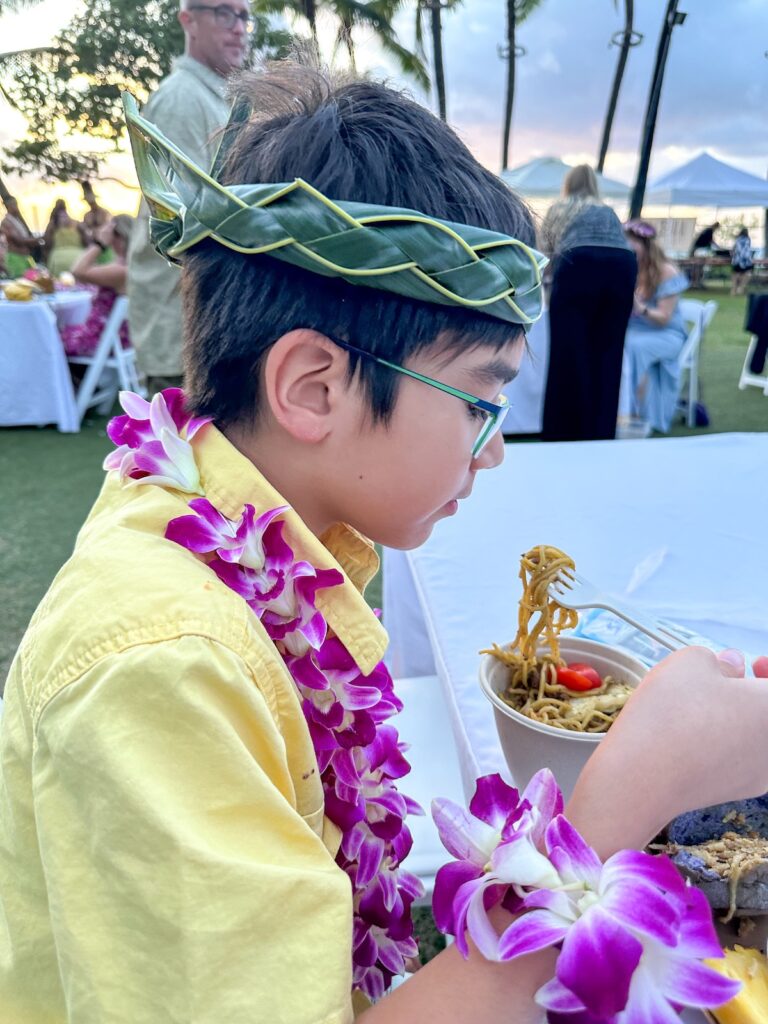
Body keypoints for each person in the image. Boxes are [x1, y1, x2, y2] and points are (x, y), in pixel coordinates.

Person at [3, 66, 768, 1024]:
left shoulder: (277, 553)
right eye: (482, 400)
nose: (494, 453)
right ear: (314, 389)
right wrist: (634, 795)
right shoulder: (164, 668)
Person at [127, 0, 250, 397]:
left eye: (245, 16)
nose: (238, 28)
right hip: (190, 332)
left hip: (207, 327)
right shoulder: (182, 99)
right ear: (188, 20)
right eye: (224, 13)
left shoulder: (218, 98)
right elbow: (193, 224)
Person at [538, 164, 637, 441]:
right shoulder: (607, 209)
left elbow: (545, 251)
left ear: (568, 183)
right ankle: (601, 431)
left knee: (569, 353)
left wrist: (546, 287)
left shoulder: (560, 207)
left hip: (579, 263)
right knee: (609, 352)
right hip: (622, 266)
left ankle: (564, 431)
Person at [620, 219, 689, 433]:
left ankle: (627, 413)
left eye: (631, 246)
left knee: (632, 347)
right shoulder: (631, 268)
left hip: (668, 334)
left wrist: (640, 308)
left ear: (645, 245)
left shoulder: (666, 271)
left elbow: (665, 318)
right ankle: (615, 404)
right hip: (638, 331)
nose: (627, 251)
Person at [60, 214, 132, 357]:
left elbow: (77, 271)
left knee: (50, 336)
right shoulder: (125, 265)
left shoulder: (122, 271)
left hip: (102, 340)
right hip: (115, 337)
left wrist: (99, 244)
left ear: (116, 236)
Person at [0, 196, 41, 277]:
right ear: (8, 207)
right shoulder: (6, 222)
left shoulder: (18, 220)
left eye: (17, 205)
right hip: (15, 257)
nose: (17, 208)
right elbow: (18, 240)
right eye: (14, 205)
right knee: (19, 282)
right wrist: (36, 240)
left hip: (27, 257)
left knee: (34, 279)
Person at [43, 199, 85, 276]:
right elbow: (87, 240)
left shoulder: (53, 224)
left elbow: (47, 244)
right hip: (78, 259)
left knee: (59, 285)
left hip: (58, 259)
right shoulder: (76, 223)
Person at [731, 225, 754, 296]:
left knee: (736, 274)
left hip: (737, 260)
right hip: (746, 260)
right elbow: (748, 249)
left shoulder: (737, 239)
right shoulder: (748, 239)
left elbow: (734, 249)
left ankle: (733, 290)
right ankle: (741, 287)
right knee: (748, 273)